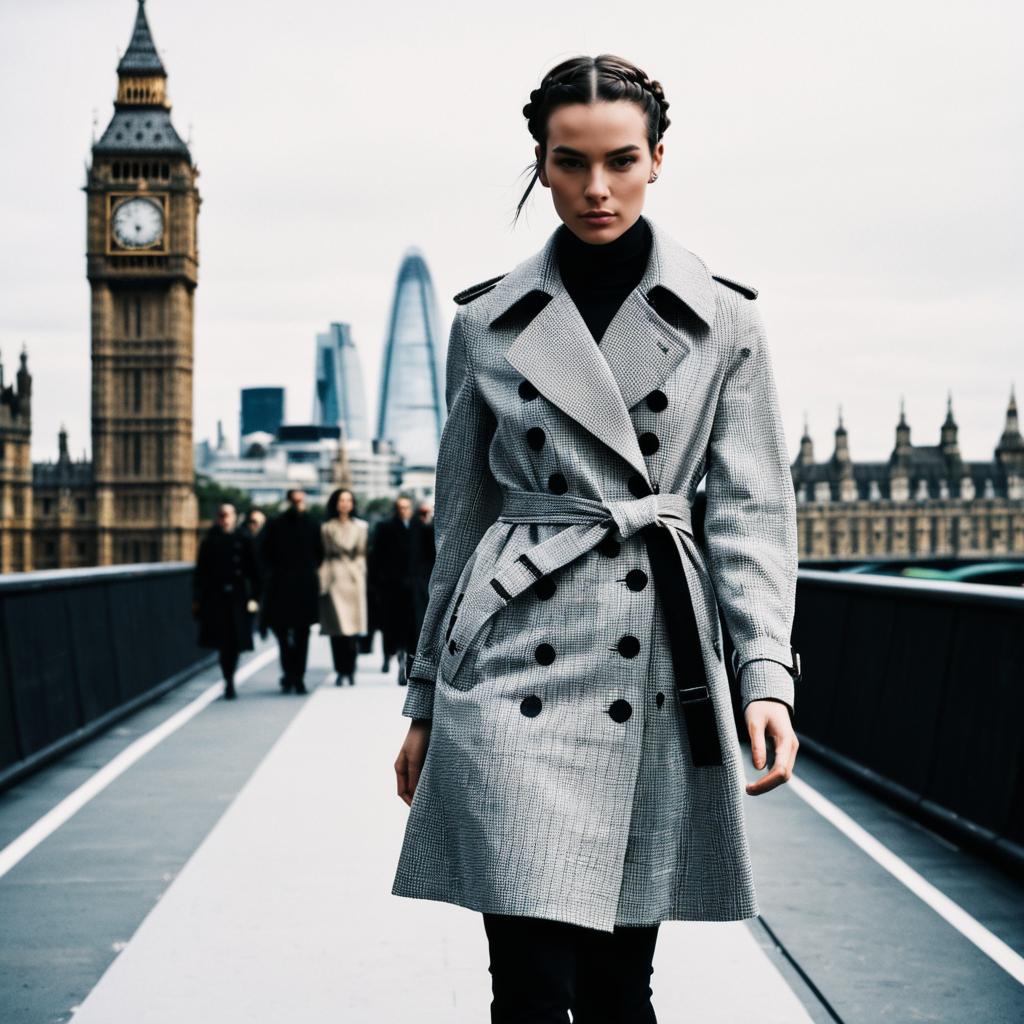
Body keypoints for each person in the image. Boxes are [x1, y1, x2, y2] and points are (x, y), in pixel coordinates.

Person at [391, 54, 802, 1023]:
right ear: (539, 165)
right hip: (503, 675)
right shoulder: (486, 323)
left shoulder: (727, 323)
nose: (596, 187)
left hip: (650, 659)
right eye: (569, 164)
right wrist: (421, 703)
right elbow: (461, 526)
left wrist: (766, 678)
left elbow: (749, 516)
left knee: (620, 989)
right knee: (527, 986)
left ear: (659, 158)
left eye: (619, 159)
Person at [192, 503, 261, 700]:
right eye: (222, 515)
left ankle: (230, 678)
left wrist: (255, 597)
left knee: (234, 642)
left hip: (238, 597)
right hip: (216, 598)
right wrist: (197, 599)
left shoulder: (244, 540)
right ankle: (228, 679)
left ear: (234, 517)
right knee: (223, 642)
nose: (225, 519)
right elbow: (201, 573)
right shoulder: (210, 541)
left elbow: (255, 571)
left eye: (228, 515)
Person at [261, 488, 324, 694]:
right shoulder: (279, 524)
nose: (298, 504)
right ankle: (291, 674)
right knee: (284, 633)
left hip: (299, 585)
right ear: (290, 501)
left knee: (301, 633)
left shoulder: (311, 524)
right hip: (287, 585)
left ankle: (296, 676)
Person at [370, 496, 430, 681]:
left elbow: (428, 555)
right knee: (392, 626)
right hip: (392, 586)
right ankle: (390, 656)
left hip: (414, 587)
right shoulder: (385, 527)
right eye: (400, 507)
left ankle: (407, 665)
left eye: (407, 507)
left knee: (412, 627)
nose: (404, 511)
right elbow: (376, 557)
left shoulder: (419, 528)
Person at [318, 488, 369, 686]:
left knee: (352, 630)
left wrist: (359, 572)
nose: (345, 504)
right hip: (334, 577)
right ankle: (340, 669)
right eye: (341, 500)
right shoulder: (327, 527)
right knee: (336, 629)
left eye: (348, 500)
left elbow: (362, 553)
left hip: (354, 578)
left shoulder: (360, 527)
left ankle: (350, 668)